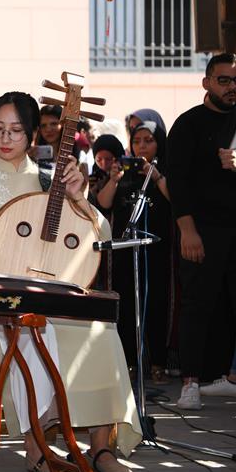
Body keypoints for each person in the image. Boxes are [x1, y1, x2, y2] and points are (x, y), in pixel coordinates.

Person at [0, 91, 140, 472]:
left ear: (34, 134)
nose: (5, 138)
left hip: (53, 292)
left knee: (102, 333)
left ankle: (101, 446)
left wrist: (79, 198)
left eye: (16, 131)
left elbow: (99, 234)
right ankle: (37, 444)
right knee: (33, 334)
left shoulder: (51, 179)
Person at [166, 52, 236, 410]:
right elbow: (178, 183)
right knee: (197, 306)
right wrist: (188, 230)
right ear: (207, 82)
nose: (232, 87)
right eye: (224, 80)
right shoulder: (188, 124)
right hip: (202, 230)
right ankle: (190, 382)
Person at [92, 122, 173, 383]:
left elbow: (176, 198)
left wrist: (156, 174)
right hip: (125, 253)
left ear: (158, 143)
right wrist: (115, 178)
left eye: (148, 140)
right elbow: (103, 203)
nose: (142, 146)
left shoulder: (163, 172)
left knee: (157, 304)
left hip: (156, 252)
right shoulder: (122, 173)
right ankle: (128, 362)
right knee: (125, 306)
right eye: (137, 141)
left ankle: (158, 362)